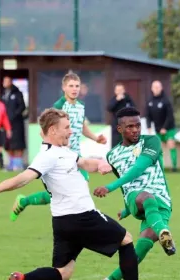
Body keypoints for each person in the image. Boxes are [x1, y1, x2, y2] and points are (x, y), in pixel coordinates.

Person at [0, 108, 151, 280]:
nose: (71, 131)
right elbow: (23, 178)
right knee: (125, 239)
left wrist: (103, 164)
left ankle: (22, 279)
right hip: (82, 216)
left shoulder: (63, 151)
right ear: (52, 130)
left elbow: (83, 163)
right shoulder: (47, 156)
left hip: (63, 222)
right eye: (67, 128)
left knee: (63, 273)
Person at [94, 107, 175, 280]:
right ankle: (164, 231)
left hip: (161, 201)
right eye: (130, 127)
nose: (135, 130)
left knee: (142, 247)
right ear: (120, 129)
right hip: (136, 198)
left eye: (138, 125)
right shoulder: (112, 155)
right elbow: (126, 184)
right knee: (146, 196)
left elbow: (138, 169)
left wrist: (119, 202)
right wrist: (126, 204)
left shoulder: (151, 141)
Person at [10, 72, 107, 221]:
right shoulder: (59, 106)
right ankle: (26, 202)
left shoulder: (81, 106)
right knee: (68, 193)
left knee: (75, 193)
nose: (74, 89)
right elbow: (45, 130)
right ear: (64, 87)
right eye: (71, 86)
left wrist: (95, 138)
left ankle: (24, 201)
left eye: (77, 86)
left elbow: (80, 126)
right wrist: (54, 148)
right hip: (62, 155)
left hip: (76, 154)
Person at [145, 80, 178, 171]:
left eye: (158, 87)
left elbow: (170, 116)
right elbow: (148, 115)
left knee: (171, 144)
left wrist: (165, 127)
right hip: (157, 129)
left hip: (169, 128)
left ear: (161, 88)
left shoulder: (166, 100)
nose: (156, 89)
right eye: (154, 87)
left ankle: (174, 167)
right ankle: (160, 167)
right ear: (152, 89)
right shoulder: (149, 101)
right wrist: (148, 126)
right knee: (158, 148)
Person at [2, 76, 27, 171]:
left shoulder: (17, 93)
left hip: (17, 124)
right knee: (8, 144)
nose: (5, 82)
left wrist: (13, 116)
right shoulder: (4, 94)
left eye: (7, 81)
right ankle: (11, 164)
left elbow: (22, 106)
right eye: (4, 81)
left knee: (18, 144)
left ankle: (18, 164)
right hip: (6, 124)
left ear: (11, 82)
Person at [107, 83, 136, 147]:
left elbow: (134, 109)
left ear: (124, 90)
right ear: (115, 91)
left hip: (127, 126)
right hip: (116, 126)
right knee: (116, 144)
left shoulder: (128, 99)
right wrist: (117, 100)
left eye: (121, 90)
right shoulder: (114, 99)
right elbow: (109, 108)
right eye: (118, 90)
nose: (119, 92)